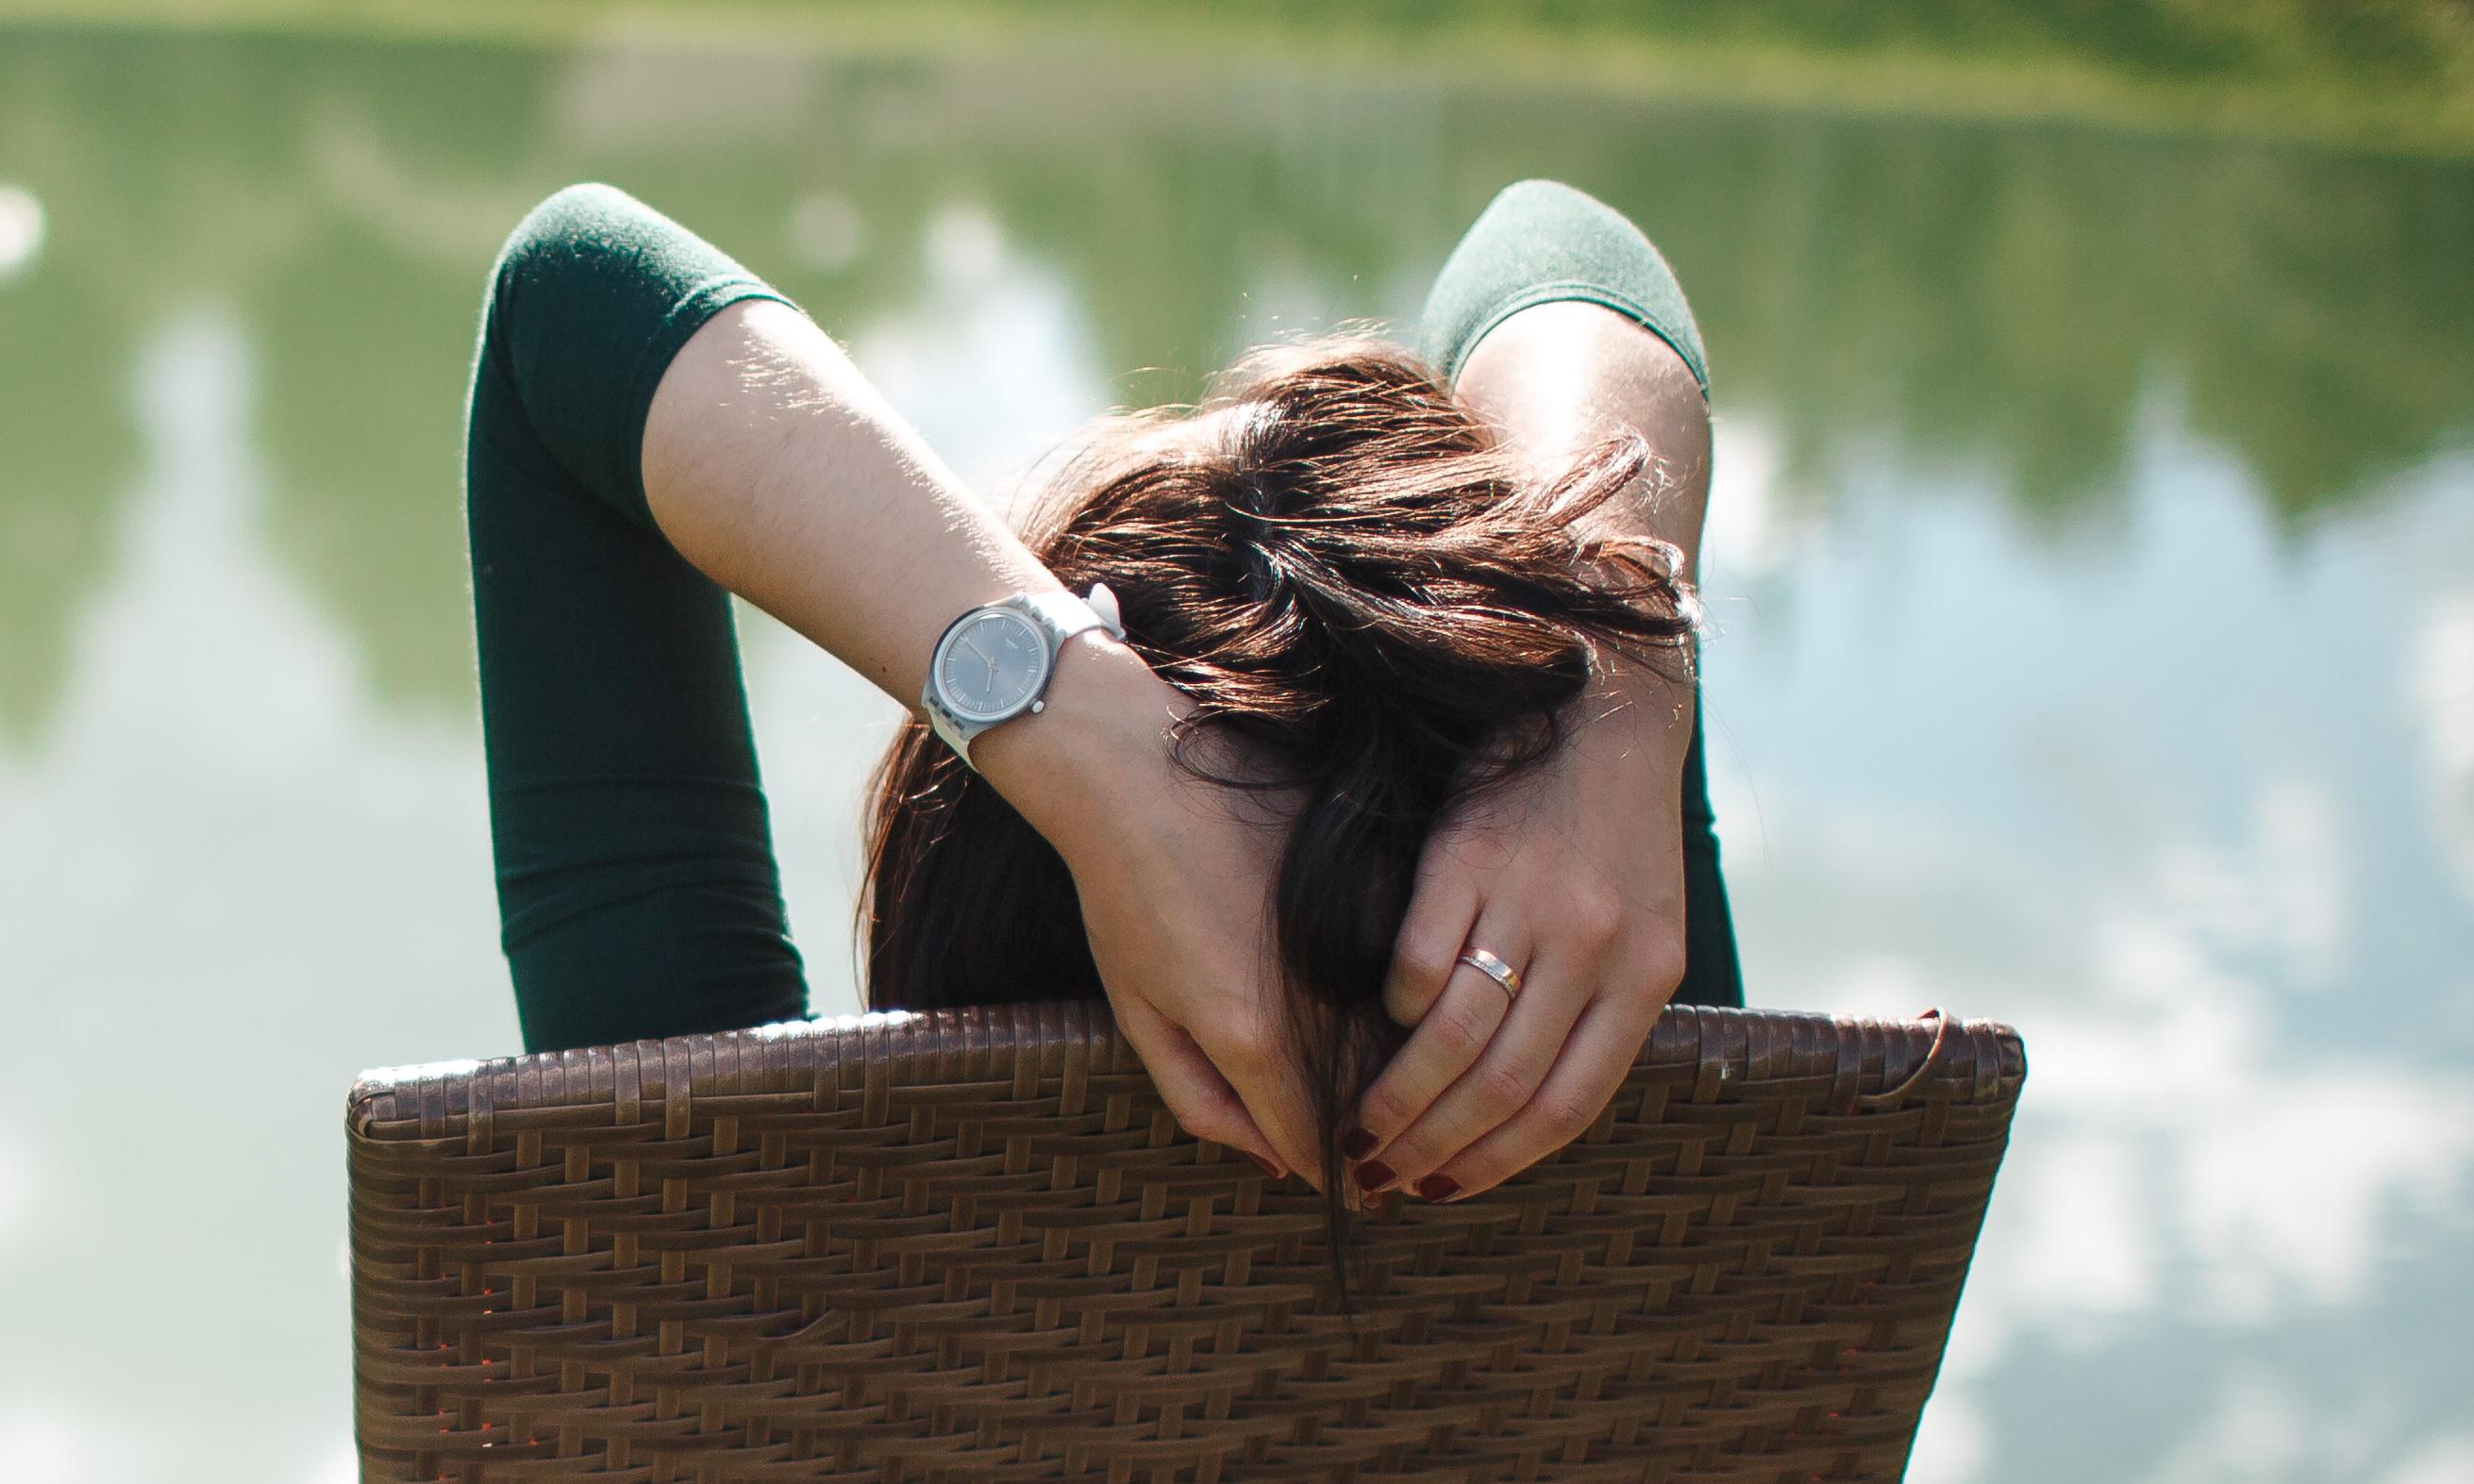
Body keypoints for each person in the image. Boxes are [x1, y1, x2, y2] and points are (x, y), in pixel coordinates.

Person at [467, 179, 1730, 1212]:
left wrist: (1086, 742)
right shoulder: (1696, 1184)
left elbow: (569, 307)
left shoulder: (718, 1229)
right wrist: (1606, 688)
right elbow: (1558, 245)